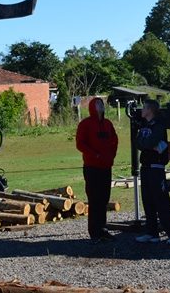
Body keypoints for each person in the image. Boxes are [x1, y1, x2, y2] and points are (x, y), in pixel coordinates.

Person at [134, 99, 170, 246]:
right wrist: (146, 144)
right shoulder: (145, 125)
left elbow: (150, 142)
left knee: (161, 201)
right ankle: (152, 233)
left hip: (156, 168)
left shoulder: (159, 125)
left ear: (150, 110)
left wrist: (147, 144)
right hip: (145, 167)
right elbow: (138, 142)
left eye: (144, 107)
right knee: (148, 201)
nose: (142, 110)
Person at [75, 96, 118, 242]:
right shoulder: (85, 124)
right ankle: (94, 231)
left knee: (104, 198)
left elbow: (114, 140)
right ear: (92, 107)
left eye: (101, 104)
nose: (100, 106)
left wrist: (111, 155)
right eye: (97, 104)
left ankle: (103, 228)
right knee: (94, 199)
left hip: (106, 166)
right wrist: (95, 155)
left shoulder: (107, 124)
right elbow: (80, 144)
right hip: (92, 167)